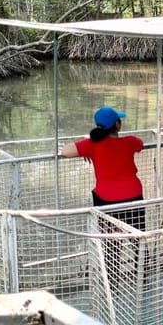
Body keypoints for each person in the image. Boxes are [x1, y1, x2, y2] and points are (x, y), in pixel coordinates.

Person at [61, 106, 145, 284]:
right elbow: (141, 143)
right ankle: (141, 277)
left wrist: (87, 142)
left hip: (107, 200)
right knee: (138, 237)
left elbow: (65, 151)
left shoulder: (92, 145)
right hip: (133, 196)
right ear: (118, 125)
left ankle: (112, 283)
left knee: (111, 241)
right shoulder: (129, 142)